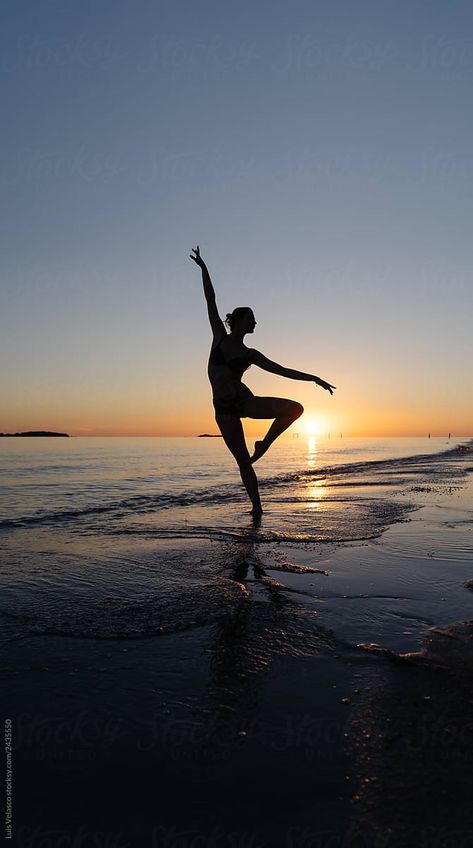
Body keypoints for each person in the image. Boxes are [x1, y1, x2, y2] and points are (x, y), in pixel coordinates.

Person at [190, 245, 336, 518]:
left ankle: (265, 444)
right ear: (239, 321)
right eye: (252, 319)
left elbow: (281, 370)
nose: (255, 323)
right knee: (243, 462)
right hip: (223, 410)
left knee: (295, 408)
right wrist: (204, 268)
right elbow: (211, 300)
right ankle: (257, 507)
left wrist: (314, 378)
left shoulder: (250, 354)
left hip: (245, 402)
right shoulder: (219, 338)